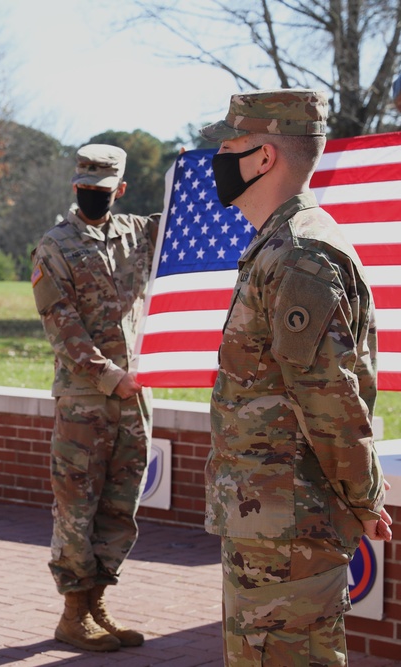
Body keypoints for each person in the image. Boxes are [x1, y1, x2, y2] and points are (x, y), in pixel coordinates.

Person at [200, 88, 393, 666]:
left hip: (291, 528)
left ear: (264, 157)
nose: (218, 160)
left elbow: (331, 400)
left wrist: (362, 497)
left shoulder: (300, 255)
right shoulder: (276, 246)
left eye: (230, 146)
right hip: (270, 523)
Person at [30, 144, 160, 652]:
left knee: (120, 505)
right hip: (86, 399)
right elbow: (63, 328)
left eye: (103, 192)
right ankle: (71, 614)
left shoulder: (139, 233)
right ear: (74, 186)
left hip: (132, 399)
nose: (93, 198)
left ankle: (97, 602)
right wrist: (111, 378)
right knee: (76, 507)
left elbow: (195, 216)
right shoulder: (54, 246)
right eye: (86, 190)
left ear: (120, 190)